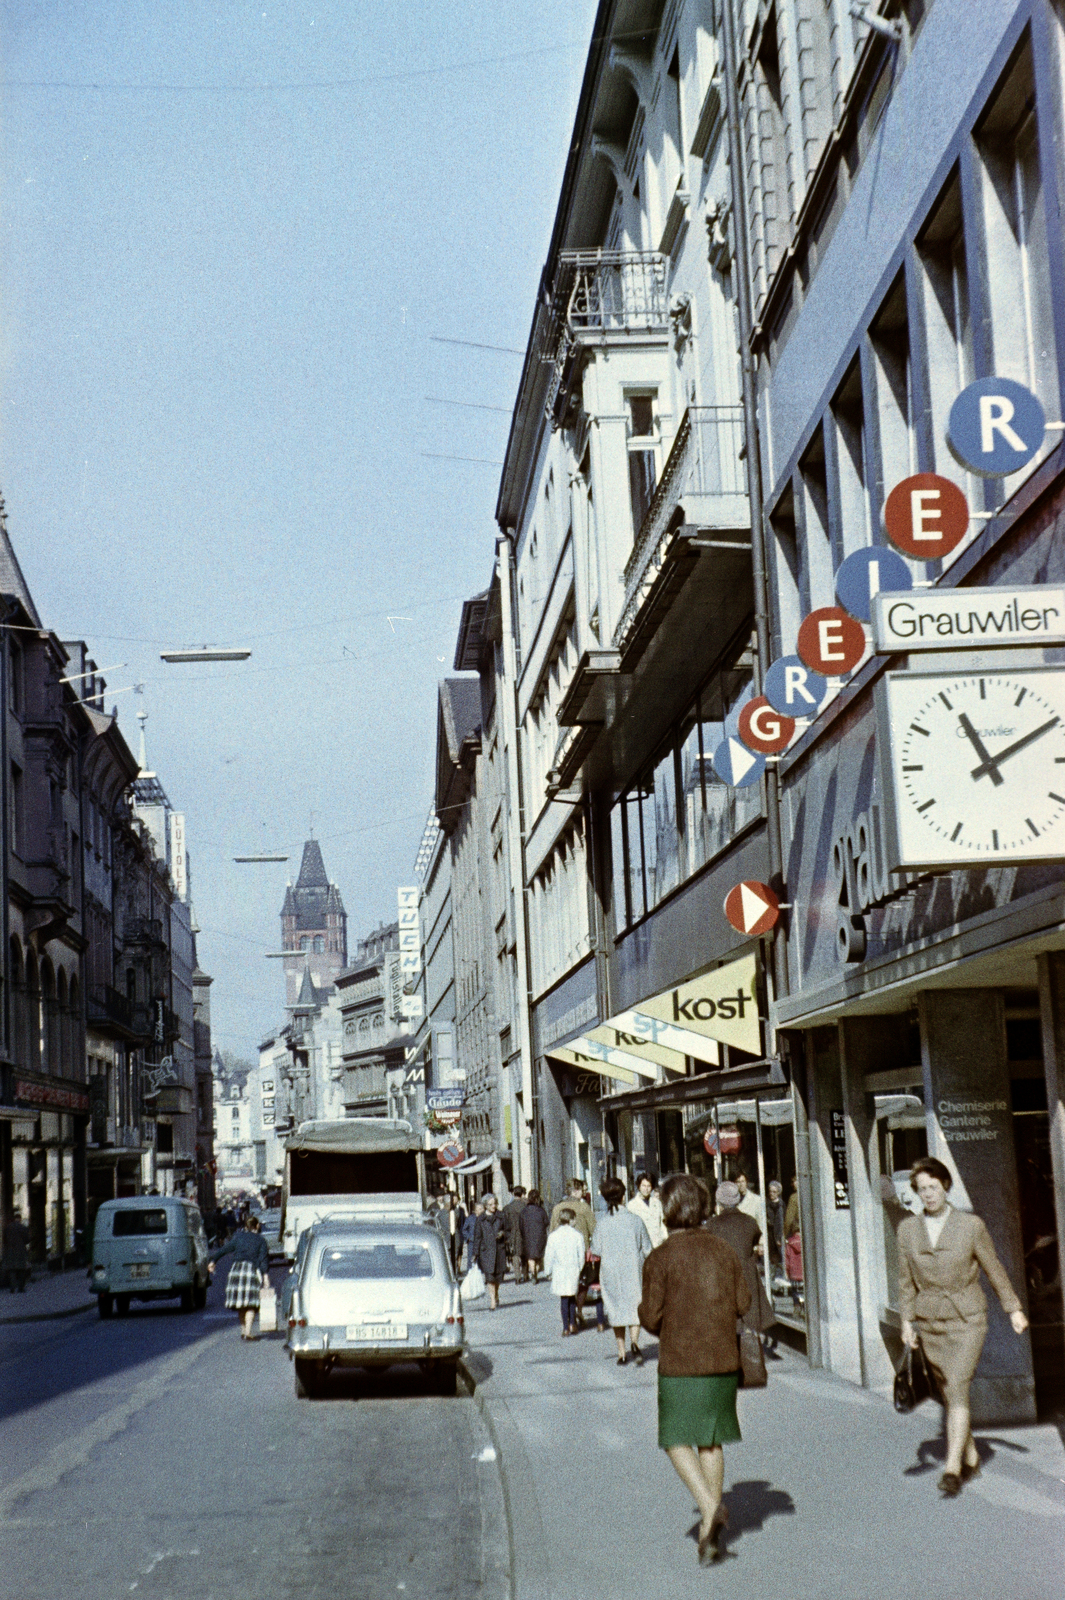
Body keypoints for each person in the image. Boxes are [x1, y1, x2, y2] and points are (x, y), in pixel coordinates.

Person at [898, 1156, 1028, 1497]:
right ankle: (971, 1456)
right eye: (921, 1189)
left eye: (933, 1187)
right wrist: (907, 1321)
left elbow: (994, 1268)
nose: (928, 1194)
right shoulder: (907, 1230)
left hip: (967, 1319)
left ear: (946, 1186)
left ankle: (953, 1468)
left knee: (957, 1383)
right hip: (930, 1322)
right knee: (948, 1389)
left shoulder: (971, 1226)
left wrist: (1012, 1308)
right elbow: (905, 1281)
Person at [638, 1173, 751, 1565]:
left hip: (680, 1361)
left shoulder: (660, 1258)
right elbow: (743, 1302)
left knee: (674, 1437)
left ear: (667, 1211)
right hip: (721, 1358)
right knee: (710, 1440)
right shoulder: (723, 1251)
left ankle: (708, 1506)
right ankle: (709, 1528)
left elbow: (651, 1319)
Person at [591, 1177, 653, 1364]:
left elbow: (596, 1250)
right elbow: (647, 1248)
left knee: (616, 1309)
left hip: (611, 1272)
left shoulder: (602, 1223)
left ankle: (621, 1353)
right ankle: (634, 1342)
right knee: (635, 1307)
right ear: (623, 1196)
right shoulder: (635, 1220)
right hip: (634, 1269)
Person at [704, 1180, 774, 1342]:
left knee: (726, 1335)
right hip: (747, 1283)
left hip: (722, 1283)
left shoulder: (711, 1226)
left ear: (719, 1201)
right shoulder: (749, 1222)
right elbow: (755, 1239)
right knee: (748, 1333)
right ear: (737, 1200)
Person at [210, 1213, 270, 1340]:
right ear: (257, 1226)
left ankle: (243, 1330)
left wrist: (213, 1261)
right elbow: (263, 1260)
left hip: (236, 1270)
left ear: (246, 1226)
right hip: (251, 1271)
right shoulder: (261, 1240)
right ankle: (248, 1332)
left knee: (241, 1303)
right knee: (251, 1304)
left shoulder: (238, 1237)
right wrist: (265, 1277)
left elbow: (224, 1250)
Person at [542, 1206, 585, 1335]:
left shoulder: (553, 1236)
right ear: (571, 1220)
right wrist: (579, 1268)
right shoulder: (577, 1235)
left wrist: (548, 1271)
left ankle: (565, 1327)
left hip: (559, 1270)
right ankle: (573, 1324)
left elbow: (549, 1255)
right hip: (573, 1269)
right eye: (574, 1219)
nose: (575, 1221)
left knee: (564, 1299)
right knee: (572, 1297)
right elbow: (581, 1255)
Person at [473, 1193, 507, 1311]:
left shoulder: (501, 1216)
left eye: (495, 1204)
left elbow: (508, 1230)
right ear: (485, 1206)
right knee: (489, 1277)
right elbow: (477, 1237)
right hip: (486, 1252)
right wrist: (475, 1253)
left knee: (498, 1277)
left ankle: (496, 1294)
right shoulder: (480, 1220)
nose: (494, 1206)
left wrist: (502, 1234)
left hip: (499, 1251)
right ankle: (492, 1300)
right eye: (491, 1204)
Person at [550, 1179, 595, 1247]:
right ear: (575, 1192)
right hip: (580, 1247)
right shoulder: (584, 1207)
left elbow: (552, 1230)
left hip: (560, 1248)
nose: (582, 1193)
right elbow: (593, 1229)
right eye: (581, 1191)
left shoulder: (557, 1208)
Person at [628, 1173, 667, 1248]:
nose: (646, 1189)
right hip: (642, 1247)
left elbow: (662, 1224)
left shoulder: (657, 1203)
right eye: (643, 1186)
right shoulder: (632, 1205)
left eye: (648, 1186)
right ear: (639, 1186)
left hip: (658, 1245)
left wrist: (665, 1239)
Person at [519, 1189, 550, 1282]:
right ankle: (535, 1271)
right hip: (540, 1236)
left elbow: (520, 1225)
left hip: (528, 1236)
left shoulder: (524, 1211)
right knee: (539, 1257)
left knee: (530, 1257)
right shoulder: (541, 1210)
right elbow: (546, 1222)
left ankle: (533, 1273)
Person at [502, 1186, 528, 1283]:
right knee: (524, 1253)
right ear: (522, 1194)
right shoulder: (525, 1206)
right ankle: (525, 1274)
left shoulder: (507, 1208)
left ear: (513, 1194)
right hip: (524, 1232)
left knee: (515, 1254)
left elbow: (504, 1222)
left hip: (512, 1232)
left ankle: (517, 1276)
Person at [2, 1208, 31, 1293]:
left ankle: (12, 1287)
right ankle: (20, 1288)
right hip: (21, 1252)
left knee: (12, 1270)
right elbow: (27, 1240)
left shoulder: (7, 1228)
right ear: (20, 1219)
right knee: (22, 1270)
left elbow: (4, 1240)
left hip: (10, 1251)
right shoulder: (23, 1228)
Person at [765, 1179, 785, 1269]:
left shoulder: (782, 1205)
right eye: (770, 1191)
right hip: (769, 1234)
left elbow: (783, 1220)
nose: (772, 1194)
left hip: (779, 1234)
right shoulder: (766, 1204)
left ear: (778, 1193)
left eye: (774, 1192)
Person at [462, 1200, 484, 1274]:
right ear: (475, 1210)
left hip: (482, 1242)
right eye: (480, 1208)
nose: (482, 1210)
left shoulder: (484, 1218)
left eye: (482, 1208)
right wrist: (468, 1238)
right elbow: (464, 1230)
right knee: (471, 1260)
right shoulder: (470, 1218)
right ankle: (470, 1274)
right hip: (472, 1242)